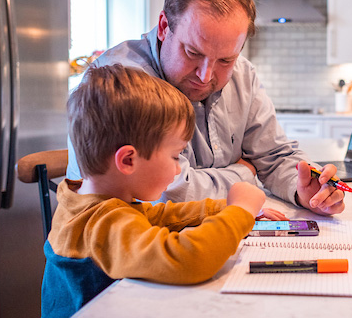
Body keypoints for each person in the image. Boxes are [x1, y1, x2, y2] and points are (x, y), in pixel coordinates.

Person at [67, 0, 345, 216]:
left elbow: (273, 156)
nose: (206, 75)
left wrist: (303, 189)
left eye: (225, 59)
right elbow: (165, 194)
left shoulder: (242, 73)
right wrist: (245, 172)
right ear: (164, 26)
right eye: (192, 52)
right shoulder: (122, 82)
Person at [43, 65, 274, 317]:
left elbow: (158, 216)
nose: (177, 170)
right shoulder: (104, 223)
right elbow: (187, 260)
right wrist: (239, 212)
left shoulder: (88, 200)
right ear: (128, 160)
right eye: (175, 156)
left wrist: (222, 207)